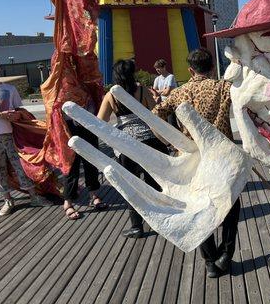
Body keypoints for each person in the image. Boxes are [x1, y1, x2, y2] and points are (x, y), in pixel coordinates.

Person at [153, 48, 240, 279]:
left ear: (190, 70)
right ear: (212, 67)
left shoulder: (179, 93)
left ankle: (210, 261)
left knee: (201, 207)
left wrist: (172, 141)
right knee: (231, 203)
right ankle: (226, 254)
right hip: (221, 157)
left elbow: (156, 114)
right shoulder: (223, 87)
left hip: (193, 159)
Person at [98, 59, 169, 238]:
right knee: (155, 183)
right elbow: (155, 113)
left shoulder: (111, 95)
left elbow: (101, 120)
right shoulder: (142, 90)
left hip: (126, 146)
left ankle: (137, 226)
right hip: (150, 141)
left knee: (132, 186)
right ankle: (163, 220)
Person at [0, 60, 50, 215]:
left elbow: (20, 109)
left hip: (10, 134)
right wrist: (0, 114)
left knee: (21, 165)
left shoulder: (10, 89)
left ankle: (34, 196)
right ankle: (8, 200)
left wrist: (16, 114)